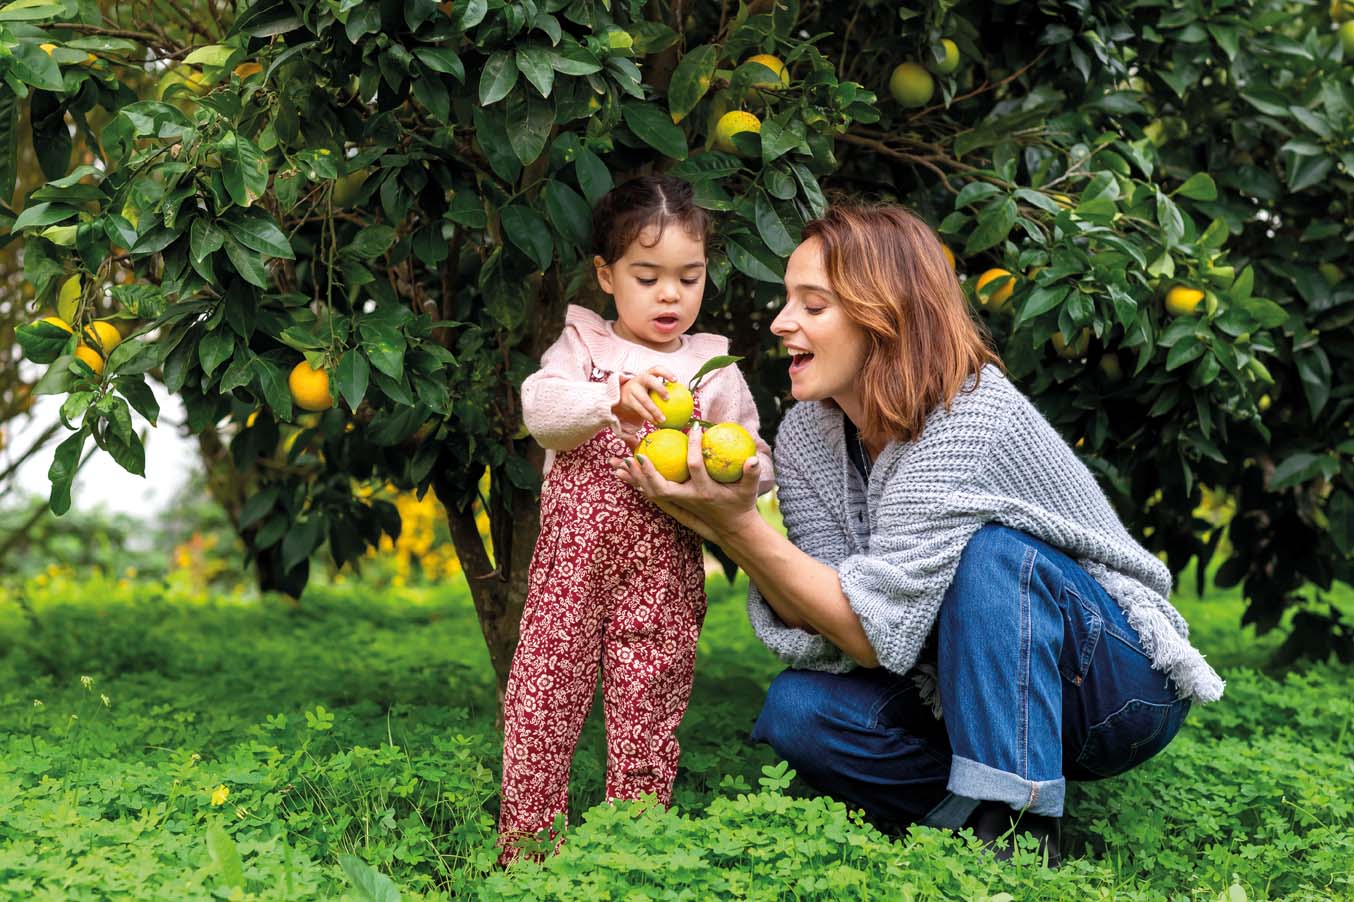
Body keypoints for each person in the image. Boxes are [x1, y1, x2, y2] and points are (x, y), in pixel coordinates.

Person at [612, 204, 1224, 866]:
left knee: (992, 555)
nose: (780, 322)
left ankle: (1015, 828)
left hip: (1112, 686)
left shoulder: (968, 413)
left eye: (812, 306)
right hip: (969, 692)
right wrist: (724, 520)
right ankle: (965, 817)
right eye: (788, 301)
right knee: (798, 709)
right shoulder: (807, 437)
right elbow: (833, 627)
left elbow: (873, 628)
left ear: (885, 316)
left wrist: (735, 527)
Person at [499, 174, 775, 863]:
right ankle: (529, 843)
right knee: (543, 693)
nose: (670, 295)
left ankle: (635, 843)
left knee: (650, 698)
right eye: (647, 276)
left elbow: (756, 456)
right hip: (572, 564)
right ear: (606, 274)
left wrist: (733, 469)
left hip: (665, 567)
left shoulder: (712, 369)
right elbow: (542, 413)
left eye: (689, 276)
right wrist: (610, 399)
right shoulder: (584, 349)